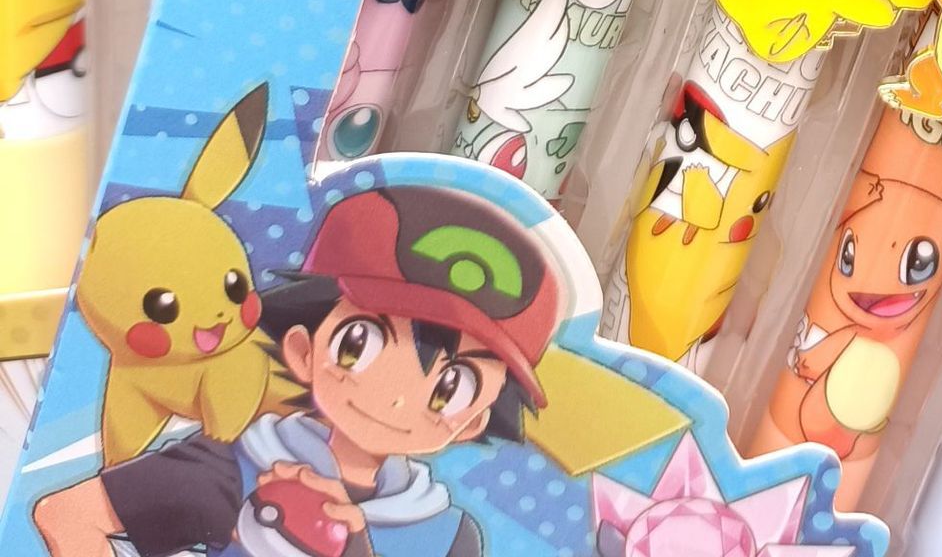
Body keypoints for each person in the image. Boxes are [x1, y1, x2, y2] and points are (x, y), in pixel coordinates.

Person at [37, 185, 565, 557]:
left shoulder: (447, 535)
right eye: (359, 345)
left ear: (473, 421)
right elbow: (66, 516)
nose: (397, 399)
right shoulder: (237, 469)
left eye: (450, 387)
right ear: (302, 350)